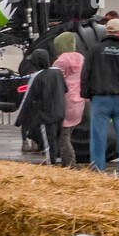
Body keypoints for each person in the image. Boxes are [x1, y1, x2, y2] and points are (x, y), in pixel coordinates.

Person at [80, 16, 119, 186]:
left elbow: (86, 74)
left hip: (100, 99)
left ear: (107, 32)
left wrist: (86, 94)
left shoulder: (94, 50)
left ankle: (98, 180)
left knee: (98, 142)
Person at [16, 49, 67, 165]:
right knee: (57, 140)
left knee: (48, 142)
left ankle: (51, 164)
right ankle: (59, 162)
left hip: (47, 115)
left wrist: (19, 120)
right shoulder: (58, 72)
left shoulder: (38, 77)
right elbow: (65, 89)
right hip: (60, 112)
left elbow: (28, 99)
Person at [53, 31, 85, 168]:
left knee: (63, 136)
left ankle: (70, 163)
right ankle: (70, 161)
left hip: (65, 102)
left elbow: (54, 80)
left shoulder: (60, 61)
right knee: (68, 133)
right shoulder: (81, 58)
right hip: (79, 101)